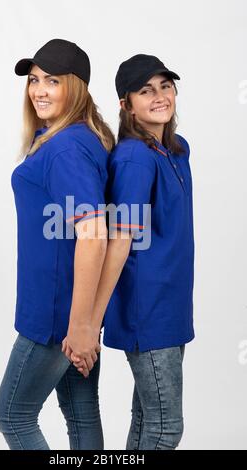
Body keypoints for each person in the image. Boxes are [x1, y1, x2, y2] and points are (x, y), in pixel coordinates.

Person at [0, 38, 115, 450]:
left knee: (12, 414)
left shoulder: (64, 149)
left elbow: (94, 234)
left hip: (55, 315)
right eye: (33, 80)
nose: (39, 90)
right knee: (81, 413)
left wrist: (80, 327)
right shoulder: (71, 136)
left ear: (75, 87)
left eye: (52, 81)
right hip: (69, 309)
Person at [73, 54, 195, 450]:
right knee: (165, 428)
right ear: (126, 105)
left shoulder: (176, 151)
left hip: (172, 307)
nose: (159, 96)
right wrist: (91, 322)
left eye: (165, 86)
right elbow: (118, 240)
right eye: (146, 91)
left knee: (147, 421)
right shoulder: (134, 158)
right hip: (149, 311)